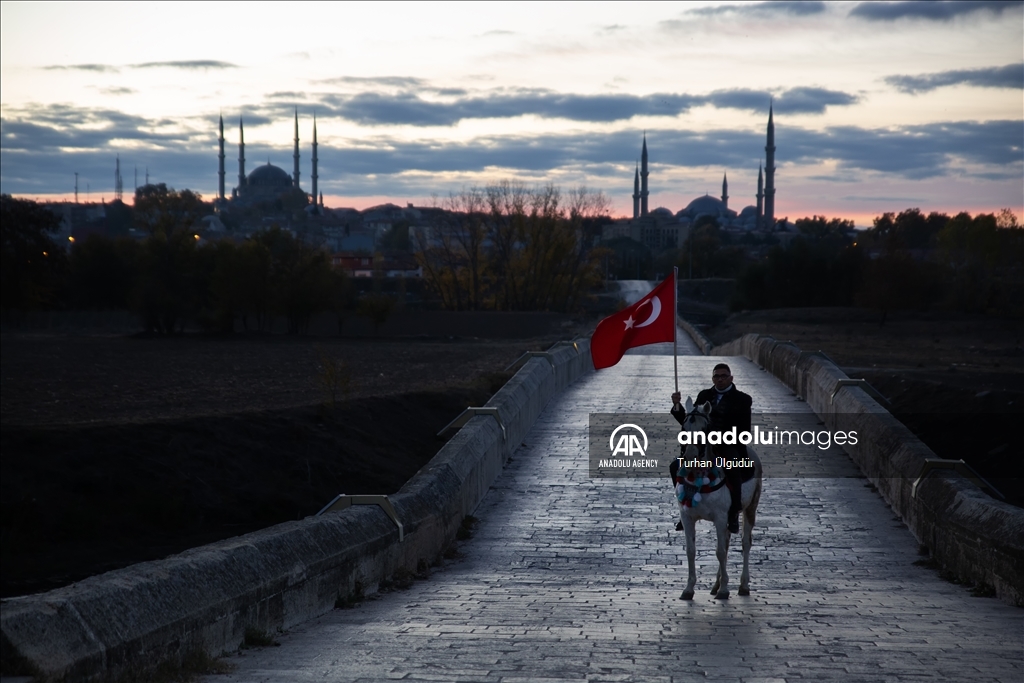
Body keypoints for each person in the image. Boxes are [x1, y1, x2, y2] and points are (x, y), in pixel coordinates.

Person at [671, 363, 752, 533]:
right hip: (702, 446)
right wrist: (677, 407)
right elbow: (691, 423)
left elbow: (744, 430)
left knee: (733, 467)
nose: (720, 379)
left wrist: (719, 437)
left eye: (724, 376)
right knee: (674, 466)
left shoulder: (743, 399)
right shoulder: (704, 395)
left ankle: (733, 513)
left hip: (728, 445)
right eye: (717, 376)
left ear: (731, 378)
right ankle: (683, 507)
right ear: (713, 378)